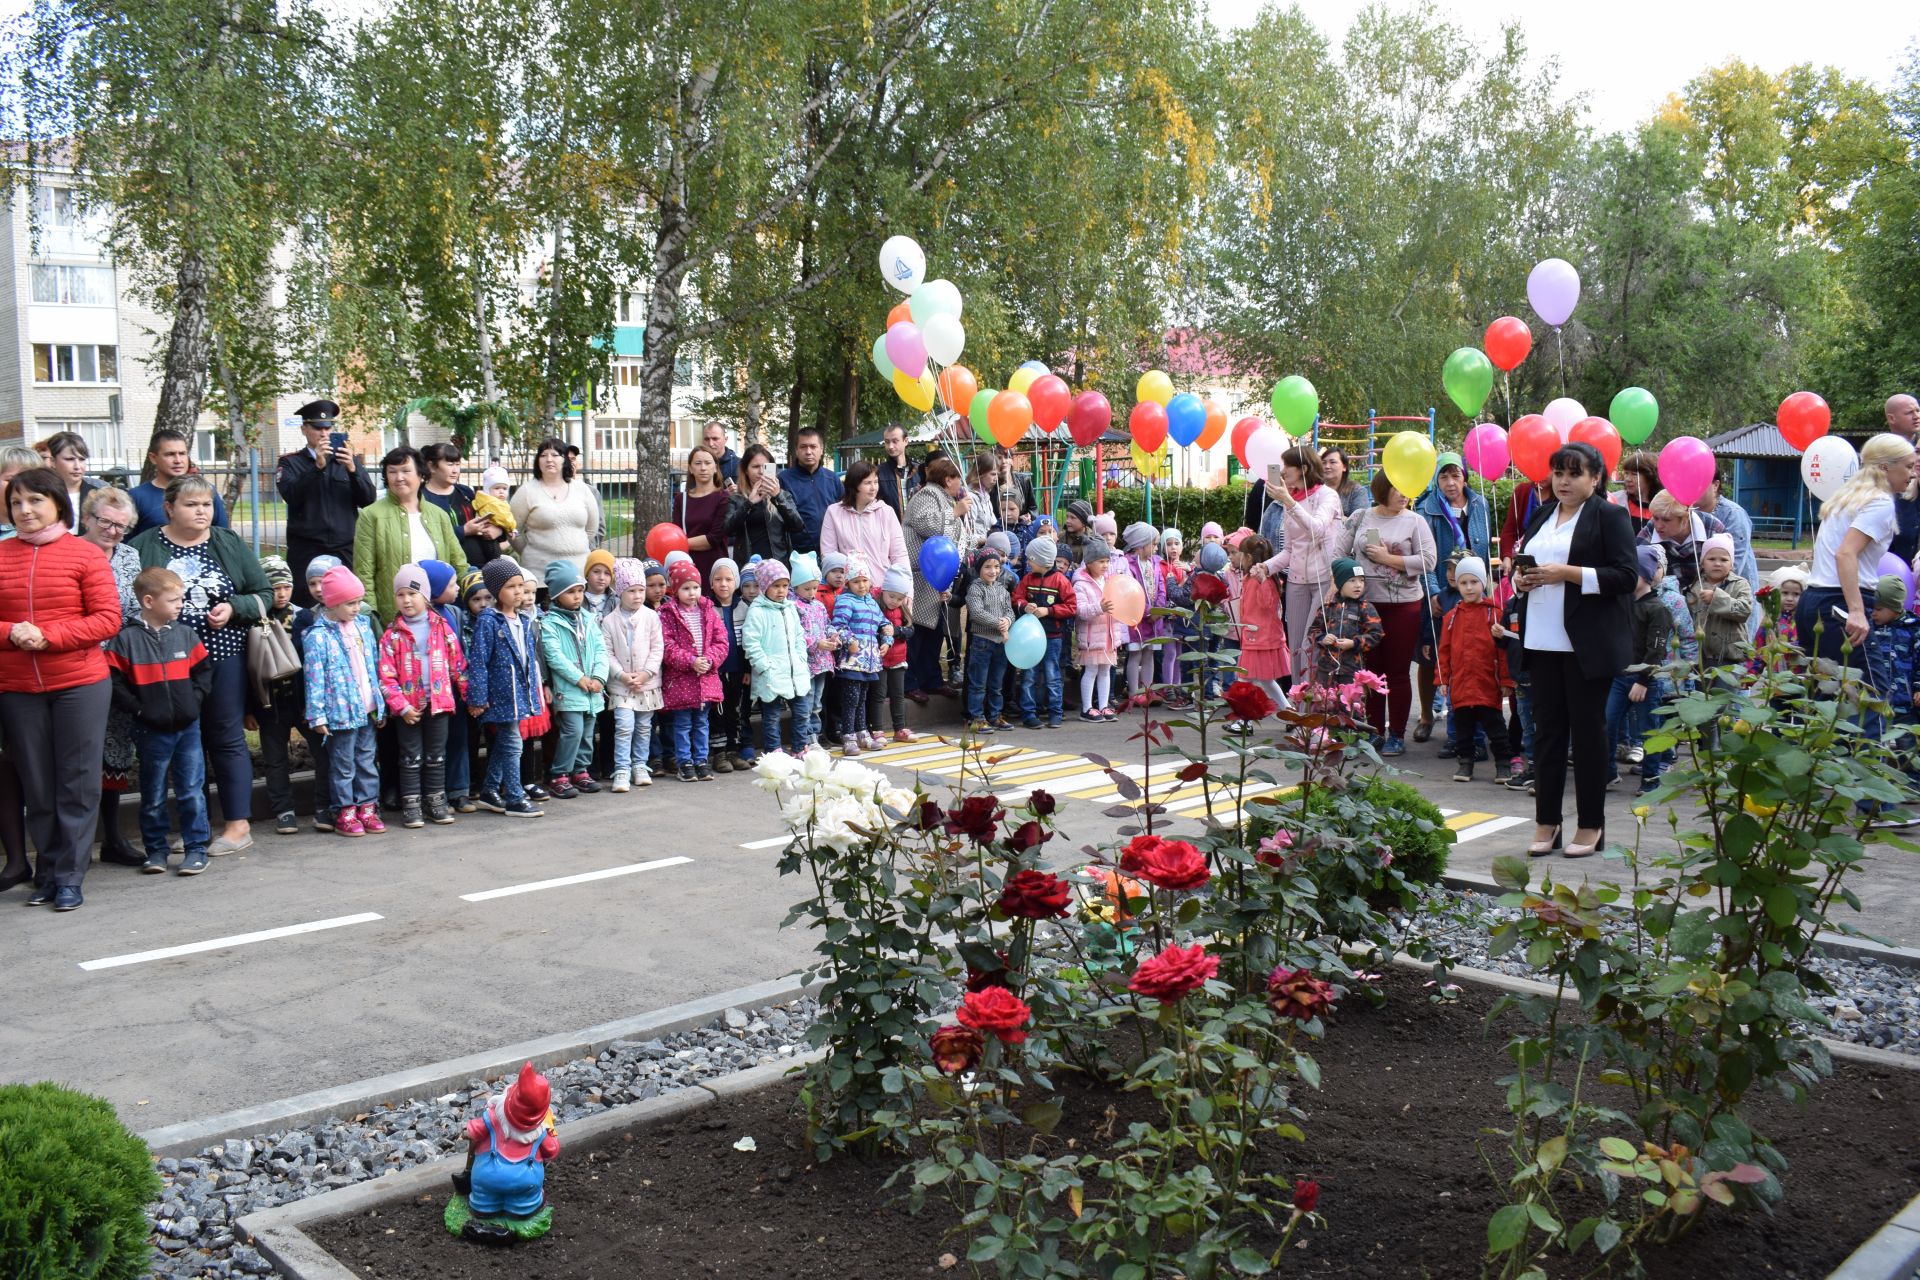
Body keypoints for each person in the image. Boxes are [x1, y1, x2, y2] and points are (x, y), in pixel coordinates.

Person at [129, 473, 269, 856]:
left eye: (207, 504)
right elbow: (129, 600)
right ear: (169, 508)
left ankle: (238, 825)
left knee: (225, 737)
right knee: (182, 742)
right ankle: (196, 827)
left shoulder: (227, 542)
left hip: (223, 656)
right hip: (167, 665)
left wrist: (235, 607)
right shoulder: (144, 546)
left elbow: (263, 593)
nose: (202, 511)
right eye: (191, 505)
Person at [0, 468, 121, 907]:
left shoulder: (85, 555)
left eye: (34, 500)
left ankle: (70, 875)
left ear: (57, 504)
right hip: (17, 686)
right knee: (37, 784)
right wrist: (14, 631)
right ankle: (47, 872)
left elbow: (107, 619)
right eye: (16, 502)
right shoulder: (1, 555)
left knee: (77, 782)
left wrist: (49, 636)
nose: (25, 510)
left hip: (79, 684)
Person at [1512, 441, 1638, 861]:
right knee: (1547, 736)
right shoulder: (1544, 513)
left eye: (1574, 473)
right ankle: (1547, 822)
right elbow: (1523, 567)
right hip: (1542, 637)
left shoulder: (1610, 515)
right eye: (1558, 473)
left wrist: (1567, 573)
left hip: (1586, 644)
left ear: (1596, 477)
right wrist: (1521, 582)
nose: (1563, 481)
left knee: (1587, 736)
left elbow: (1625, 575)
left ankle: (1591, 824)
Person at [106, 565, 216, 875]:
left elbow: (203, 673)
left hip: (187, 728)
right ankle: (156, 851)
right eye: (174, 599)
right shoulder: (126, 640)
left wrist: (193, 704)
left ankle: (196, 849)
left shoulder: (185, 634)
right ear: (149, 601)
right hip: (150, 730)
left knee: (191, 790)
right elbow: (113, 682)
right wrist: (140, 711)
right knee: (152, 794)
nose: (181, 604)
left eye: (181, 598)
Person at [1796, 433, 1916, 667]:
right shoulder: (1879, 502)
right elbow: (1845, 553)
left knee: (1823, 694)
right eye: (1908, 466)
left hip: (1812, 602)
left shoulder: (1845, 498)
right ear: (1885, 467)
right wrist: (1857, 611)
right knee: (1871, 694)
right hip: (1839, 604)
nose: (1913, 474)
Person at [1343, 469, 1437, 754]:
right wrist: (1343, 581)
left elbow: (1429, 561)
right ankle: (1373, 731)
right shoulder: (1361, 516)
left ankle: (1397, 733)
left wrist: (1388, 558)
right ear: (1383, 488)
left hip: (1404, 607)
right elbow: (1338, 551)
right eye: (1398, 488)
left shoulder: (1415, 521)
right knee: (1370, 671)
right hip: (1367, 606)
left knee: (1397, 673)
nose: (1404, 494)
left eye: (1408, 488)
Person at [77, 485, 143, 865]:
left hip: (118, 667)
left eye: (121, 525)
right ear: (88, 517)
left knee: (115, 751)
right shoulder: (70, 551)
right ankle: (75, 845)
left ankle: (113, 838)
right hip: (79, 664)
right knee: (78, 755)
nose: (113, 531)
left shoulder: (130, 556)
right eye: (105, 521)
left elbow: (136, 606)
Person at [378, 562, 468, 828]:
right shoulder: (391, 635)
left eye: (412, 594)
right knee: (410, 756)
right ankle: (412, 804)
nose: (406, 600)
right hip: (408, 708)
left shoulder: (441, 627)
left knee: (436, 755)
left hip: (438, 704)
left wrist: (469, 696)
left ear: (426, 596)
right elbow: (386, 675)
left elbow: (458, 665)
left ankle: (435, 800)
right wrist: (400, 706)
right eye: (401, 594)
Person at [303, 565, 386, 837]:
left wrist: (380, 702)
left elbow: (373, 666)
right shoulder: (318, 636)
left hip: (367, 707)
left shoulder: (363, 627)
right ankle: (345, 811)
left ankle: (368, 807)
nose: (356, 607)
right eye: (350, 603)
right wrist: (317, 715)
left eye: (359, 602)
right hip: (340, 713)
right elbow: (314, 678)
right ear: (333, 603)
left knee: (366, 760)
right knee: (344, 764)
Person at [1416, 452, 1491, 751]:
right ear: (1436, 479)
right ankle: (1425, 715)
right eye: (1443, 477)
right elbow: (1425, 556)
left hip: (1473, 586)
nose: (1450, 483)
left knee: (1472, 654)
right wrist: (1433, 590)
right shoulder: (1427, 508)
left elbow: (1483, 549)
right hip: (1441, 587)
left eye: (1455, 476)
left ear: (1465, 477)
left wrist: (1484, 586)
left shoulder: (1479, 503)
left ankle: (1471, 728)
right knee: (1432, 653)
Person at [353, 446, 470, 623]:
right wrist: (372, 618)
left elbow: (458, 563)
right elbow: (364, 573)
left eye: (406, 471)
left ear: (421, 475)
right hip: (393, 618)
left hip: (438, 617)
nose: (399, 478)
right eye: (392, 472)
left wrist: (475, 591)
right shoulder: (371, 515)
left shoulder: (438, 515)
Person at [252, 555, 325, 835]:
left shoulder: (304, 616)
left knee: (322, 753)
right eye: (273, 588)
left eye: (285, 587)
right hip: (270, 704)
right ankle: (283, 810)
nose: (281, 594)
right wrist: (250, 707)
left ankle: (324, 805)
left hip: (304, 701)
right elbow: (251, 667)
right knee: (274, 759)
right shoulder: (256, 619)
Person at [1250, 446, 1344, 662]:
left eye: (1287, 467)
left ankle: (1315, 695)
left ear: (1303, 468)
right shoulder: (1291, 499)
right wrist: (1267, 566)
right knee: (1295, 648)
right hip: (1296, 581)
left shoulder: (1327, 495)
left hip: (1323, 579)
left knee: (1310, 646)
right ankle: (1297, 694)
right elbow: (1290, 550)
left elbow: (1317, 529)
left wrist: (1289, 502)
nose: (1282, 472)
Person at [467, 558, 545, 818]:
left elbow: (528, 661)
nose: (519, 592)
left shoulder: (522, 620)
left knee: (505, 742)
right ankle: (514, 796)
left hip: (518, 694)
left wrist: (533, 692)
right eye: (511, 587)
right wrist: (477, 698)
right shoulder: (489, 620)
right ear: (496, 590)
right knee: (513, 743)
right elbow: (478, 661)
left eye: (521, 586)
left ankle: (489, 790)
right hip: (500, 695)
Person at [277, 400, 376, 601]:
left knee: (346, 602)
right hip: (307, 548)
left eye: (328, 427)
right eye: (317, 428)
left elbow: (368, 499)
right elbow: (291, 496)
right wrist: (317, 468)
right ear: (304, 429)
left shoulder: (346, 460)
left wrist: (353, 470)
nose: (324, 433)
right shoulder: (290, 462)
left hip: (344, 547)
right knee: (306, 605)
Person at [1433, 557, 1513, 784]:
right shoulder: (1451, 617)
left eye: (1474, 582)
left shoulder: (1495, 614)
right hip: (1461, 684)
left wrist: (1506, 680)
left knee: (1496, 728)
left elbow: (1502, 651)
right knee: (1463, 729)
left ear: (1484, 583)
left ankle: (1503, 765)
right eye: (1464, 583)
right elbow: (1444, 651)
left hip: (1487, 683)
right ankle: (1465, 764)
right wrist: (1442, 679)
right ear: (1457, 585)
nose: (1469, 588)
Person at [537, 558, 610, 798]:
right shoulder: (550, 623)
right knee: (573, 731)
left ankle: (581, 770)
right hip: (570, 690)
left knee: (588, 732)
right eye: (571, 592)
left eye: (580, 590)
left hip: (592, 690)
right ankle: (559, 774)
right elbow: (554, 656)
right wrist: (579, 678)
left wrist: (599, 677)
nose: (578, 596)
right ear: (557, 595)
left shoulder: (588, 619)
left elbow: (601, 649)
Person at [903, 457, 970, 700]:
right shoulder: (927, 495)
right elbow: (926, 525)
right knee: (918, 630)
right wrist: (955, 512)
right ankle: (910, 684)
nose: (960, 484)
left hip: (937, 574)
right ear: (947, 479)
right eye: (957, 479)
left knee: (935, 631)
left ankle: (930, 679)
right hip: (922, 572)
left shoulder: (942, 497)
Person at [1613, 545, 1676, 796]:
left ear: (1647, 575)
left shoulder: (1657, 609)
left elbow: (1656, 650)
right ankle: (1607, 772)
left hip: (1646, 680)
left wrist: (1643, 680)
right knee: (1607, 723)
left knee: (1649, 730)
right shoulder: (1621, 604)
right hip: (1619, 676)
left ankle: (1651, 777)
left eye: (1633, 572)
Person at [659, 558, 729, 781]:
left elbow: (721, 641)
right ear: (675, 590)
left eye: (695, 587)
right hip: (681, 679)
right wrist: (690, 661)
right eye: (685, 588)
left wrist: (709, 659)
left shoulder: (708, 610)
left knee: (701, 723)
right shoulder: (667, 614)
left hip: (705, 677)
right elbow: (666, 646)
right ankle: (684, 762)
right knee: (682, 724)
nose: (692, 593)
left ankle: (701, 760)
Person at [602, 558, 663, 790]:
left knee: (645, 726)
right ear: (620, 592)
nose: (637, 596)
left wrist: (647, 673)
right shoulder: (609, 621)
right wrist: (621, 675)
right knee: (624, 726)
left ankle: (639, 764)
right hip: (622, 686)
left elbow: (658, 647)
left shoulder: (651, 617)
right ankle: (622, 769)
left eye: (640, 590)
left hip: (646, 684)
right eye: (631, 591)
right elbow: (607, 652)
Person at [742, 558, 811, 756]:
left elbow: (799, 635)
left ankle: (800, 747)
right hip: (771, 674)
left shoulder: (790, 608)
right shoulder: (757, 611)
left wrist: (800, 659)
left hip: (794, 672)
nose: (781, 591)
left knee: (801, 713)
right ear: (764, 586)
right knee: (771, 716)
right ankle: (774, 751)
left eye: (785, 585)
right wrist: (764, 666)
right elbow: (751, 642)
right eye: (775, 586)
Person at [821, 458, 911, 608]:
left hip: (886, 595)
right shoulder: (834, 512)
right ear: (854, 485)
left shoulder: (886, 512)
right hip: (849, 597)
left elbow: (899, 555)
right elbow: (828, 555)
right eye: (867, 483)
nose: (873, 487)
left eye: (876, 482)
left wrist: (907, 591)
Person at [510, 438, 602, 583]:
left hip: (578, 574)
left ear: (564, 459)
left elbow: (591, 530)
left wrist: (573, 547)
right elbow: (512, 531)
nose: (549, 459)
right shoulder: (526, 492)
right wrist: (532, 552)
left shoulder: (582, 490)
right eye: (543, 455)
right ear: (537, 461)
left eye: (554, 455)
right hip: (540, 575)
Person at [1012, 535, 1074, 729]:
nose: (1028, 562)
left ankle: (1056, 712)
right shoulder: (1027, 579)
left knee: (1052, 675)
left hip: (1053, 637)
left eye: (1031, 558)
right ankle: (1029, 713)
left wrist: (1049, 610)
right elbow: (1016, 598)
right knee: (1029, 675)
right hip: (1030, 639)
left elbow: (1071, 606)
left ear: (1041, 560)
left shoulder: (1060, 581)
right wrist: (1024, 606)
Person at [830, 555, 890, 753]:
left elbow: (883, 623)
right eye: (856, 582)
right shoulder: (845, 601)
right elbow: (838, 625)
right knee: (851, 699)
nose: (861, 585)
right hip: (852, 660)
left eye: (865, 581)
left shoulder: (871, 602)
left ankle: (862, 732)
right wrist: (850, 640)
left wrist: (888, 639)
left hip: (870, 660)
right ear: (848, 583)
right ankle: (848, 736)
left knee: (863, 698)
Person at [131, 429, 230, 536]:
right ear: (153, 458)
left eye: (182, 454)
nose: (178, 460)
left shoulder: (206, 491)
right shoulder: (137, 497)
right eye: (170, 454)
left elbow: (223, 536)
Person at [422, 442, 503, 571]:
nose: (455, 470)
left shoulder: (465, 492)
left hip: (486, 565)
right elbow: (425, 536)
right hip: (448, 570)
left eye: (458, 464)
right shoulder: (422, 498)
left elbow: (492, 518)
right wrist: (463, 531)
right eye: (449, 464)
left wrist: (497, 530)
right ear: (431, 466)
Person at [1234, 533, 1290, 712]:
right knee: (1265, 680)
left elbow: (1267, 605)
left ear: (1248, 557)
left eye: (1239, 554)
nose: (1236, 557)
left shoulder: (1264, 579)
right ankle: (1289, 712)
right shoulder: (1252, 578)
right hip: (1256, 637)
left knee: (1244, 679)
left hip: (1258, 638)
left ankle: (1243, 720)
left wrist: (1263, 581)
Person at [1303, 558, 1382, 686]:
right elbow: (1313, 631)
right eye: (1352, 580)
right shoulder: (1328, 607)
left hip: (1352, 671)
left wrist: (1354, 643)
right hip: (1325, 670)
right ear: (1340, 583)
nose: (1358, 585)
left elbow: (1376, 634)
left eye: (1361, 580)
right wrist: (1322, 638)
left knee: (1350, 705)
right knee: (1325, 705)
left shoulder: (1366, 608)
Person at [1695, 472, 1760, 626]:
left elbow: (1734, 562)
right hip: (1705, 592)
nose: (1693, 488)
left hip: (1733, 593)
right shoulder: (1690, 512)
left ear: (1715, 485)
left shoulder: (1733, 514)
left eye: (1699, 483)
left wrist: (1712, 588)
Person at [1072, 538, 1126, 722]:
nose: (1105, 565)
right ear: (1089, 562)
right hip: (1091, 637)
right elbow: (1081, 611)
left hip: (1109, 635)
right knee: (1091, 670)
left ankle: (1103, 706)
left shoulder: (1110, 581)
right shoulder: (1080, 584)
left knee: (1105, 671)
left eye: (1107, 561)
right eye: (1101, 561)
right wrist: (1099, 607)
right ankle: (1086, 708)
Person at [726, 443, 805, 564]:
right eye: (755, 466)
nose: (761, 471)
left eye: (765, 467)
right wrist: (749, 503)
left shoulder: (783, 495)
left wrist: (777, 496)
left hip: (778, 565)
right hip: (749, 566)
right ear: (746, 470)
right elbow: (728, 530)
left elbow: (798, 526)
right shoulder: (736, 499)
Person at [1637, 490, 1727, 596]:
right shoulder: (1650, 531)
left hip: (1708, 600)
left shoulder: (1712, 528)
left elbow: (1729, 574)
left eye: (1666, 520)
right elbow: (1637, 572)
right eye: (1656, 518)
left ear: (1685, 518)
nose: (1658, 525)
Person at [708, 558, 752, 771]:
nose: (723, 584)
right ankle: (719, 753)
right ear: (711, 583)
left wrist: (747, 669)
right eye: (718, 579)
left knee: (734, 711)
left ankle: (733, 750)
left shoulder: (744, 607)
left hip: (737, 669)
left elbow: (749, 641)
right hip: (715, 671)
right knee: (717, 712)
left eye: (728, 579)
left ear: (736, 583)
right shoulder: (706, 607)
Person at [965, 547, 1014, 733]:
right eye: (987, 567)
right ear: (979, 569)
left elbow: (1009, 610)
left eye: (996, 566)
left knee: (996, 683)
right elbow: (977, 613)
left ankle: (995, 715)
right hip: (982, 642)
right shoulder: (975, 588)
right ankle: (977, 717)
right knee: (978, 683)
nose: (992, 571)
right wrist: (998, 624)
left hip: (1000, 643)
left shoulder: (1002, 589)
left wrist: (1007, 620)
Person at [1119, 523, 1168, 707]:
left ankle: (1147, 690)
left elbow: (1161, 585)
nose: (1156, 548)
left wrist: (1159, 608)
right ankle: (1133, 692)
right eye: (1153, 544)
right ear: (1140, 544)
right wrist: (1148, 611)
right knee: (1136, 654)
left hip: (1154, 620)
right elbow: (1131, 591)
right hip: (1138, 619)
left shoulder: (1155, 562)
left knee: (1149, 654)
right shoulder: (1128, 564)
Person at [1688, 534, 1754, 669]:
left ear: (1731, 564)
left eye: (1724, 559)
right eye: (1711, 559)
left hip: (1729, 657)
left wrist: (1716, 599)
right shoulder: (1695, 586)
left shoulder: (1740, 584)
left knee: (1725, 690)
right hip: (1700, 657)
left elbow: (1744, 610)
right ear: (1702, 562)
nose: (1717, 563)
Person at [671, 444, 731, 590]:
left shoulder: (724, 497)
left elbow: (714, 538)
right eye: (698, 463)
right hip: (687, 567)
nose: (703, 468)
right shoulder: (681, 499)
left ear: (715, 467)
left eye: (708, 463)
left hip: (715, 568)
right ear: (691, 468)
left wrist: (680, 543)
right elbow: (676, 532)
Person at [791, 556, 836, 747]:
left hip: (822, 662)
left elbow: (827, 625)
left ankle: (815, 735)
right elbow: (796, 634)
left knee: (817, 703)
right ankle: (806, 738)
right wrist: (816, 643)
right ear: (795, 587)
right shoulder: (793, 606)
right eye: (806, 588)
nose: (812, 593)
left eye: (815, 588)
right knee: (806, 702)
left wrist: (834, 636)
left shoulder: (818, 605)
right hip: (806, 664)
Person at [778, 425, 843, 555]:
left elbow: (844, 513)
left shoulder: (832, 479)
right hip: (798, 554)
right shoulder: (783, 480)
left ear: (821, 450)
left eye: (813, 447)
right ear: (796, 450)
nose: (808, 452)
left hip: (832, 551)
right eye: (803, 447)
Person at [874, 565, 914, 741]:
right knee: (879, 694)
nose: (894, 601)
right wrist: (882, 633)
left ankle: (900, 728)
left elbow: (910, 630)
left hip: (898, 659)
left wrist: (896, 631)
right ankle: (876, 729)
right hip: (880, 659)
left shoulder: (902, 610)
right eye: (891, 596)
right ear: (883, 590)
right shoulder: (875, 607)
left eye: (899, 598)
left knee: (898, 694)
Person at [1885, 394, 1920, 563]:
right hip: (1890, 547)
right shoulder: (1881, 453)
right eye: (1909, 412)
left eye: (1918, 410)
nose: (1916, 416)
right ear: (1892, 418)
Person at [45, 430, 103, 527]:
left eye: (82, 459)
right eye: (70, 459)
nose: (77, 466)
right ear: (53, 461)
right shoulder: (41, 494)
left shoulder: (98, 496)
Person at [1609, 452, 1660, 535]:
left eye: (1634, 474)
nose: (1628, 479)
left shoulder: (1663, 505)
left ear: (1650, 477)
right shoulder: (1615, 500)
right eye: (1626, 473)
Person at [876, 424, 919, 519]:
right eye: (887, 442)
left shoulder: (919, 470)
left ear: (906, 441)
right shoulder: (878, 472)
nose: (890, 446)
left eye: (895, 441)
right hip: (890, 530)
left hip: (917, 531)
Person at [1320, 446, 1368, 517]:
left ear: (1344, 467)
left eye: (1332, 462)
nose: (1327, 466)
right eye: (1323, 463)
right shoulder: (1314, 489)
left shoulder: (1357, 491)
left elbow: (1359, 521)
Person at [703, 421, 741, 487]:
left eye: (715, 439)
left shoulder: (739, 464)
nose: (710, 444)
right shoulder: (698, 464)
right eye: (707, 439)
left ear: (725, 439)